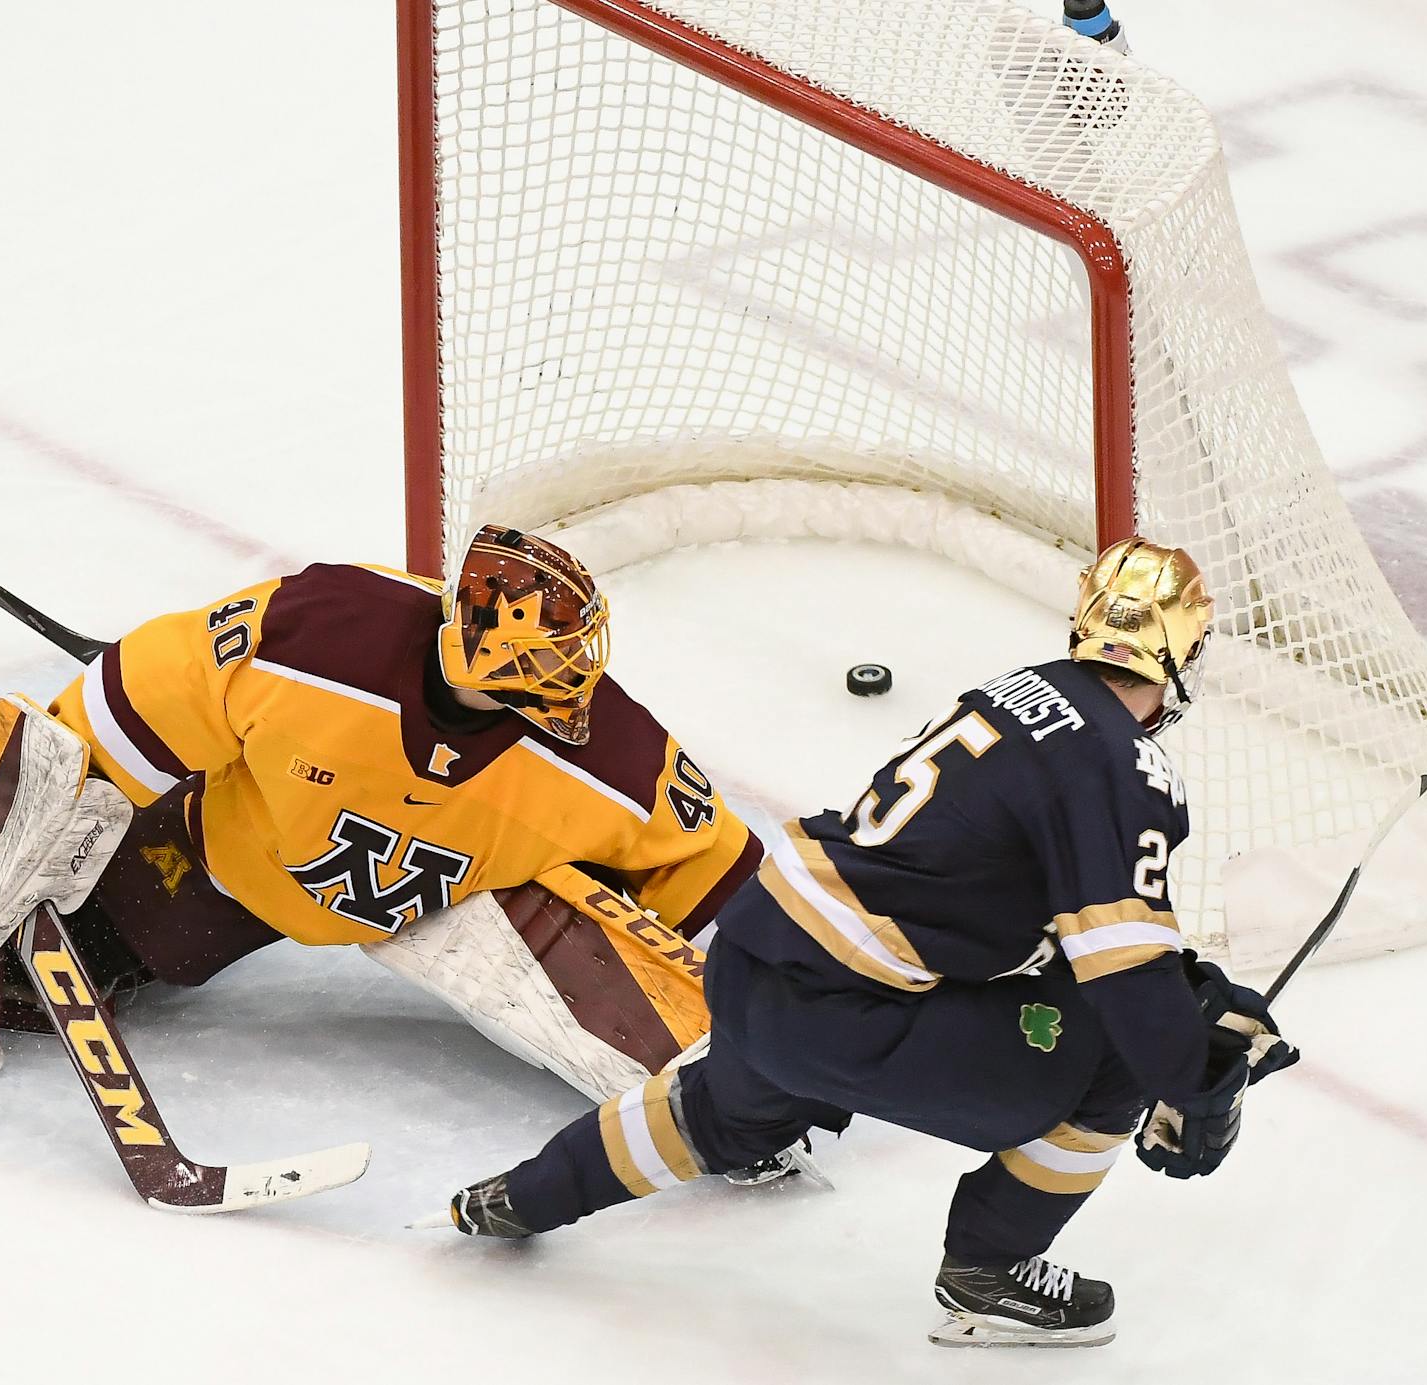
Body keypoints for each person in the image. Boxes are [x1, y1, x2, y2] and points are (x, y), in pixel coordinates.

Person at [430, 538, 1300, 1348]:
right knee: (1114, 1058)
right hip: (844, 1009)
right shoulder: (1124, 765)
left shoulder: (1023, 689)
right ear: (1181, 655)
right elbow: (1123, 972)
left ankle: (522, 1196)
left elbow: (1022, 898)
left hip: (758, 954)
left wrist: (1188, 991)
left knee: (716, 1112)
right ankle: (989, 1272)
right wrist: (1196, 1078)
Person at [0, 524, 763, 1112]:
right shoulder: (326, 633)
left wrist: (770, 1022)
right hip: (249, 854)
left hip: (458, 901)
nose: (579, 681)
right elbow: (139, 694)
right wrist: (10, 829)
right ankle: (106, 923)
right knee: (112, 949)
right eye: (554, 661)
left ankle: (718, 1079)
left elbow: (722, 875)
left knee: (674, 1020)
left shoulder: (614, 756)